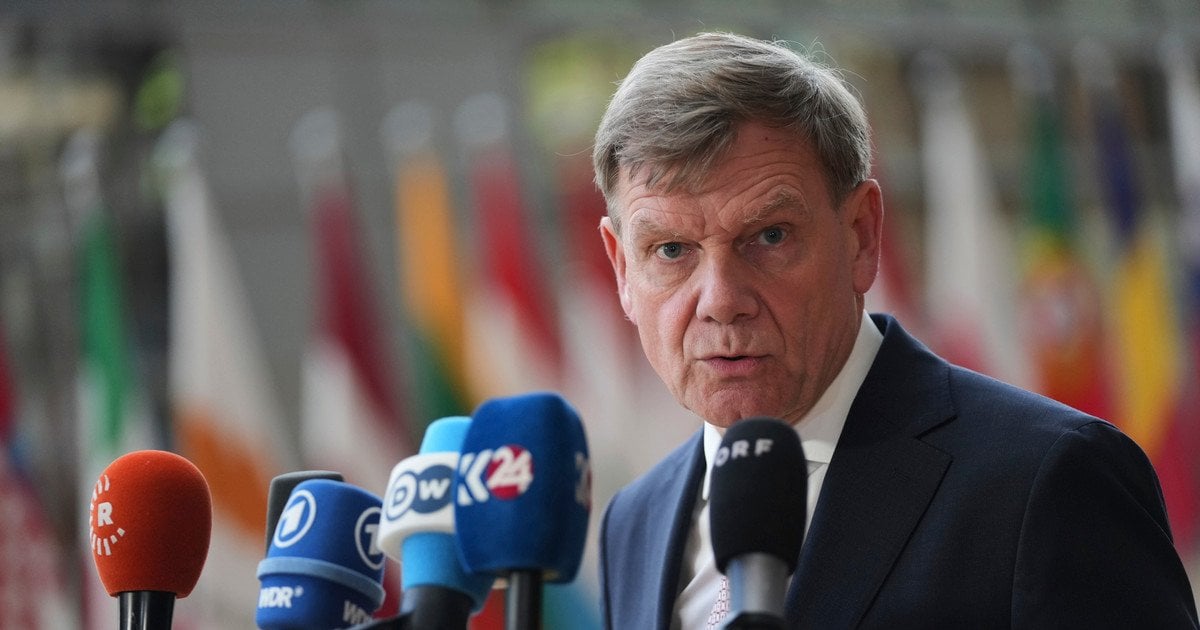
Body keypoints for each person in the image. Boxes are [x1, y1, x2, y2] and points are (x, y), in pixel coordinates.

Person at [592, 31, 1198, 629]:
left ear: (862, 235)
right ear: (621, 268)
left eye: (770, 236)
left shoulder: (1049, 478)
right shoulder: (635, 520)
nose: (721, 301)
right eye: (671, 249)